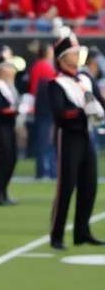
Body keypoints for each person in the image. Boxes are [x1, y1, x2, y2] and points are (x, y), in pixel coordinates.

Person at [47, 34, 105, 249]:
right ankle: (57, 235)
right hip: (69, 137)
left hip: (86, 135)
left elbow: (99, 102)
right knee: (66, 186)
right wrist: (82, 112)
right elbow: (60, 114)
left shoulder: (85, 78)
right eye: (74, 52)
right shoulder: (57, 83)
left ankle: (82, 231)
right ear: (63, 57)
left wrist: (97, 109)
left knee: (89, 186)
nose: (78, 55)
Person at [0, 52, 20, 205]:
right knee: (2, 159)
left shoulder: (10, 86)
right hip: (0, 126)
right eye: (8, 67)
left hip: (10, 125)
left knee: (11, 158)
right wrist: (15, 110)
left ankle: (4, 190)